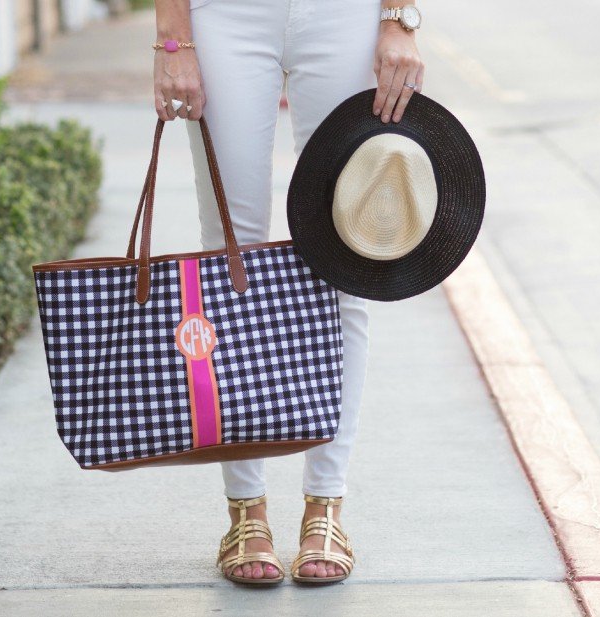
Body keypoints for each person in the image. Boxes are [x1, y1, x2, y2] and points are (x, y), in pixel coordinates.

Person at [152, 0, 424, 584]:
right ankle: (245, 513)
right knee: (231, 256)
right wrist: (173, 42)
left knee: (349, 251)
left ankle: (326, 507)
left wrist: (398, 17)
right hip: (225, 15)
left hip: (342, 15)